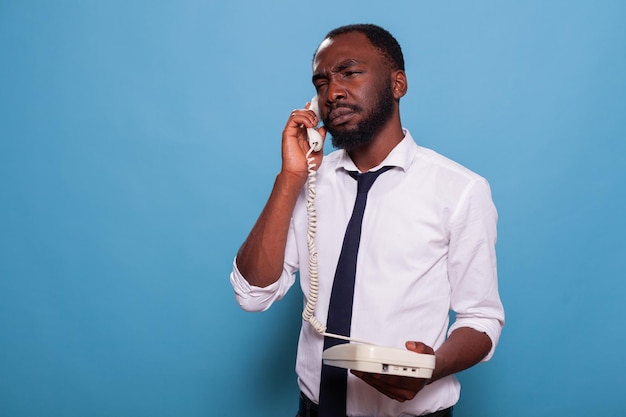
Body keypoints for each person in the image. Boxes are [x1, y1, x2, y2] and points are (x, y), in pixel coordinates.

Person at [230, 23, 504, 417]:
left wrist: (430, 368)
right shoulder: (307, 183)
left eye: (350, 73)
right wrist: (290, 176)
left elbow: (481, 316)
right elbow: (252, 295)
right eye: (321, 82)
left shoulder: (460, 189)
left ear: (398, 84)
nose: (332, 92)